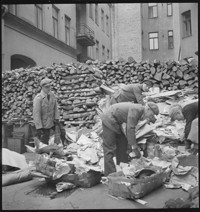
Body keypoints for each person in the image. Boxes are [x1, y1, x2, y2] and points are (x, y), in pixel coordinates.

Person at [100, 102, 159, 176]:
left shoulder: (140, 112)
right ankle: (110, 175)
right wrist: (134, 147)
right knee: (109, 148)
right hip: (108, 119)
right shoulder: (137, 109)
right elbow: (130, 128)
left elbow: (130, 128)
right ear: (147, 109)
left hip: (115, 121)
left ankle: (123, 168)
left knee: (123, 143)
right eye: (151, 115)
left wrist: (131, 144)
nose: (150, 117)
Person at [33, 78, 66, 145]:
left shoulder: (52, 95)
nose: (48, 88)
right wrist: (39, 127)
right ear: (42, 87)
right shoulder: (38, 98)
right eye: (46, 87)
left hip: (52, 120)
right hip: (44, 123)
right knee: (45, 139)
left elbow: (55, 107)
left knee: (62, 131)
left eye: (49, 86)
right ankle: (43, 153)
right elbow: (36, 114)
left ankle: (63, 146)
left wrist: (57, 118)